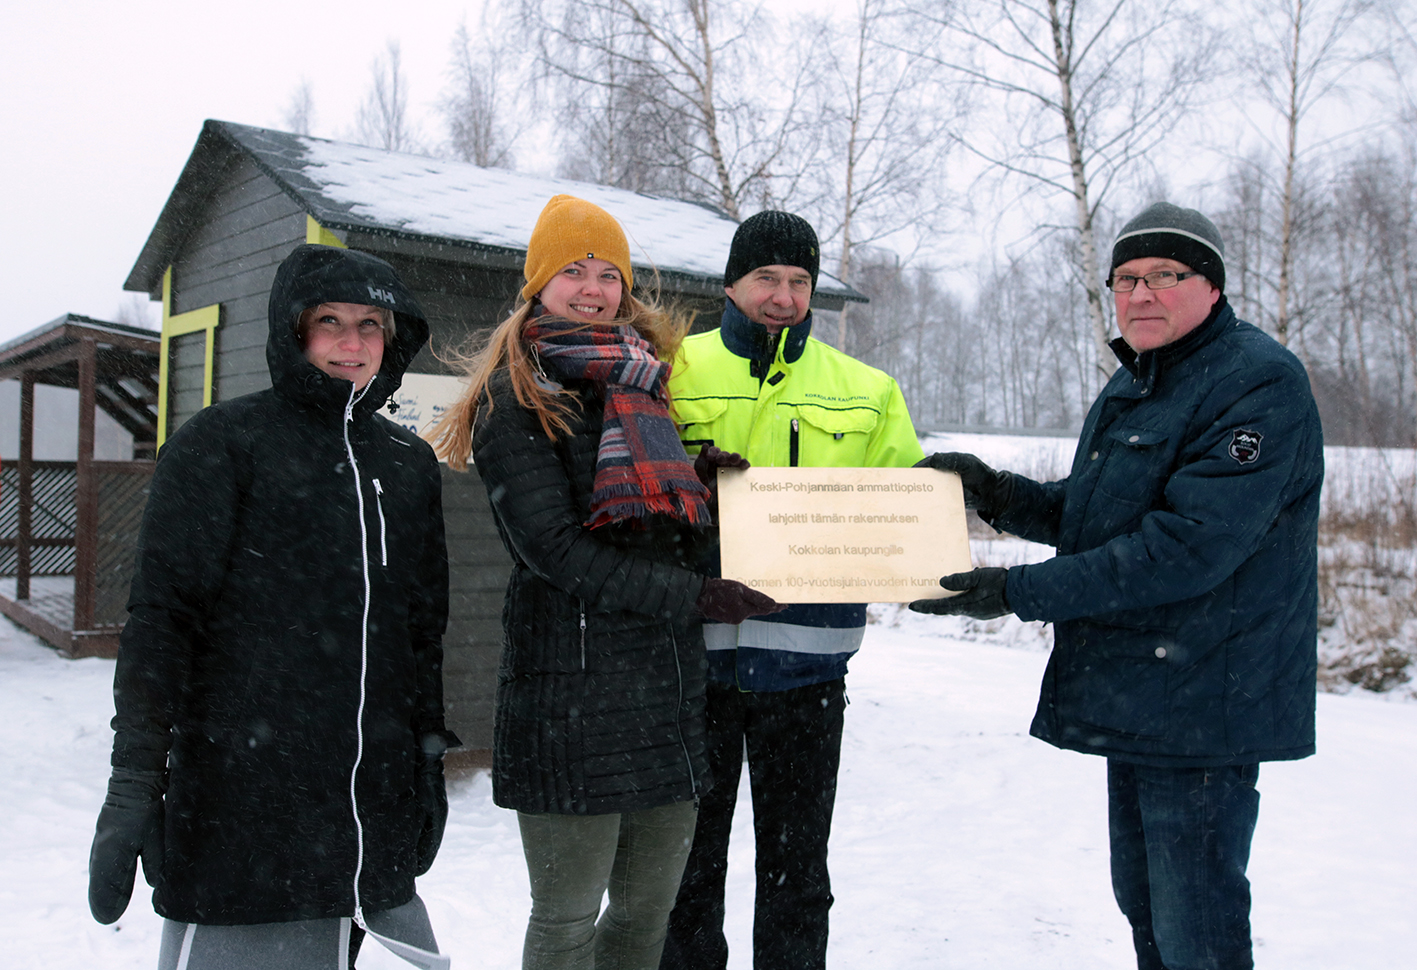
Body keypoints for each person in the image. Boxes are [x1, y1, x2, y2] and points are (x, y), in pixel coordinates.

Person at [911, 202, 1323, 970]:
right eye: (1124, 279)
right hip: (1141, 693)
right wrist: (993, 491)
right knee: (1147, 909)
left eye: (1163, 275)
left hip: (1205, 701)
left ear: (1211, 286)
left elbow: (1184, 549)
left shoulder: (1260, 383)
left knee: (1195, 923)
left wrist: (1012, 593)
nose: (1138, 295)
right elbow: (1094, 515)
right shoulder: (1140, 382)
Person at [429, 194, 781, 970]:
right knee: (566, 923)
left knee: (645, 916)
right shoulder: (514, 399)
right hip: (569, 703)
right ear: (537, 286)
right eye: (572, 272)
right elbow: (556, 551)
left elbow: (649, 525)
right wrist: (697, 599)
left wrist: (698, 487)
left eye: (608, 274)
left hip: (663, 694)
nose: (593, 289)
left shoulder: (643, 383)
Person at [87, 244, 456, 969]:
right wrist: (136, 778)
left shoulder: (407, 466)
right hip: (243, 817)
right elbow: (162, 622)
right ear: (293, 331)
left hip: (364, 825)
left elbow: (421, 634)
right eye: (329, 322)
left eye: (372, 325)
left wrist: (428, 756)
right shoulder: (222, 445)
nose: (352, 343)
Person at [660, 211, 925, 970]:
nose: (782, 296)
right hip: (689, 670)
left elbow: (898, 512)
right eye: (765, 278)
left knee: (798, 873)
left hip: (806, 675)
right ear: (730, 283)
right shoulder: (671, 369)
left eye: (798, 281)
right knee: (684, 870)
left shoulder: (865, 389)